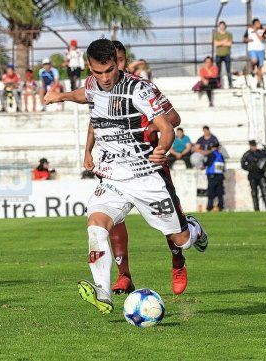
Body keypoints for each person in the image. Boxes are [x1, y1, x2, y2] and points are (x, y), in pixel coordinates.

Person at [44, 39, 208, 313]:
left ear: (117, 62)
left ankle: (195, 230)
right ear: (90, 68)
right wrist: (59, 96)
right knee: (96, 226)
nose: (105, 78)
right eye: (98, 72)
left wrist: (162, 148)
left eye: (109, 70)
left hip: (146, 177)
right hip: (112, 178)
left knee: (181, 240)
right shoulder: (92, 85)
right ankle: (103, 293)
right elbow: (82, 95)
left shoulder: (138, 89)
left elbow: (167, 125)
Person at [89, 39, 188, 296]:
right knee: (111, 220)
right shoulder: (101, 89)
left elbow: (173, 119)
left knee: (173, 228)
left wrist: (149, 128)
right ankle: (123, 277)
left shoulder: (141, 88)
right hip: (116, 167)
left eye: (119, 62)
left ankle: (178, 259)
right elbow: (95, 121)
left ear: (123, 61)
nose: (115, 70)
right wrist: (87, 150)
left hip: (149, 165)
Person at [241, 140, 266, 211]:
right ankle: (256, 209)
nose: (254, 147)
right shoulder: (247, 154)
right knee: (254, 193)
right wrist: (249, 168)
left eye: (254, 145)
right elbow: (242, 164)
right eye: (252, 146)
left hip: (261, 175)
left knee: (265, 192)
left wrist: (265, 151)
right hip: (252, 175)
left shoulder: (260, 152)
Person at [244, 18, 266, 88]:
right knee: (254, 60)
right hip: (252, 49)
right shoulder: (249, 30)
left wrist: (256, 32)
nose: (258, 24)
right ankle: (253, 69)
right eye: (257, 23)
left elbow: (262, 39)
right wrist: (248, 39)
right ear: (254, 24)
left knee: (259, 67)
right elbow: (244, 39)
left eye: (259, 23)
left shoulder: (263, 30)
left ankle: (258, 82)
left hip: (261, 50)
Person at [204, 142, 225, 211]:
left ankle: (209, 207)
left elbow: (206, 163)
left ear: (213, 147)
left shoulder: (211, 155)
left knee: (211, 192)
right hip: (220, 175)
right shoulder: (221, 155)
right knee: (220, 192)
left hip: (212, 176)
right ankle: (221, 206)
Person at [214, 21, 233, 88]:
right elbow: (216, 44)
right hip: (218, 54)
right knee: (218, 71)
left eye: (223, 25)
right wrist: (224, 41)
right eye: (220, 25)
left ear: (225, 26)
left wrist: (220, 43)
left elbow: (229, 44)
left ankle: (230, 84)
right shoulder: (216, 34)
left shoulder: (229, 34)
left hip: (227, 54)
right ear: (219, 26)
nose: (222, 27)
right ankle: (218, 85)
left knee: (228, 70)